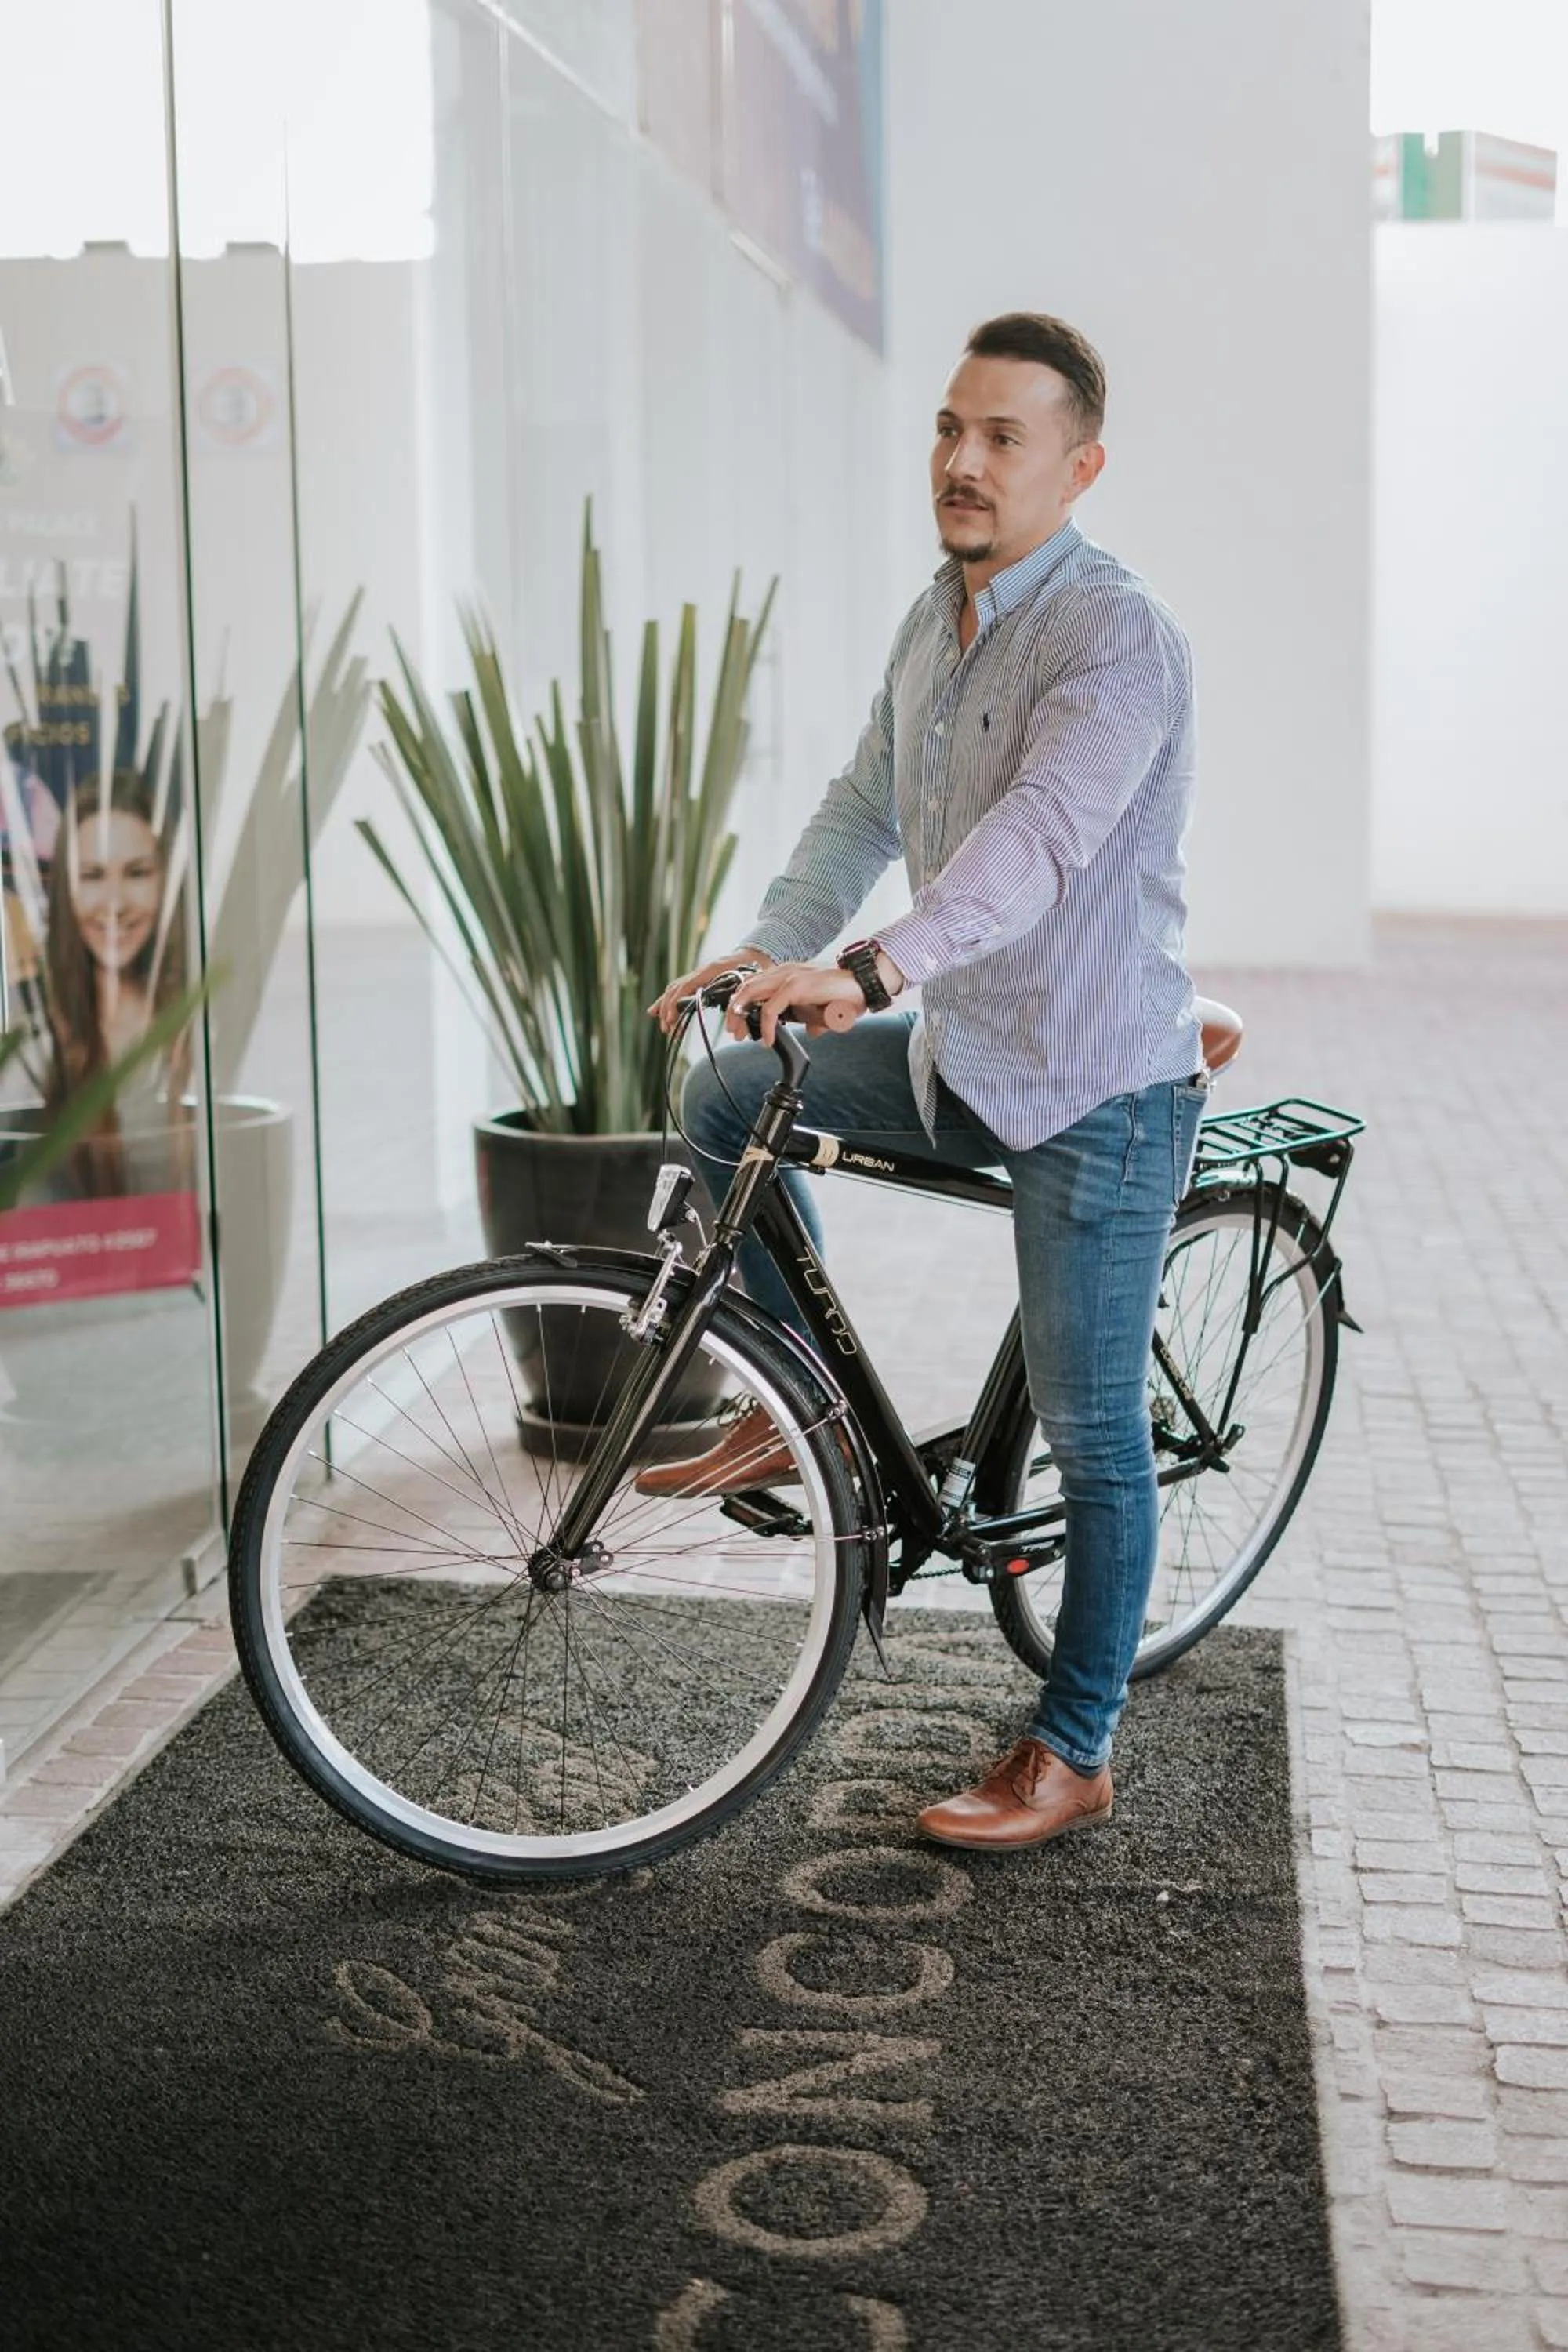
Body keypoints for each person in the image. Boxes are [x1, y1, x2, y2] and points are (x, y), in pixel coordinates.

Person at [645, 310, 1209, 1855]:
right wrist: (768, 957)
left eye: (1002, 437)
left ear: (1078, 467)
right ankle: (803, 1409)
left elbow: (1034, 839)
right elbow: (861, 797)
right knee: (722, 1100)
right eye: (949, 430)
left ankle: (1074, 1747)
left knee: (1095, 1434)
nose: (961, 461)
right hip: (965, 1051)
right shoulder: (935, 611)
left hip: (1096, 1082)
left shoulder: (1113, 637)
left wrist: (876, 971)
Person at [42, 768, 192, 1198]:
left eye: (137, 873)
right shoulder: (36, 1054)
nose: (115, 903)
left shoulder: (201, 1036)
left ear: (165, 882)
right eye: (92, 876)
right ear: (65, 893)